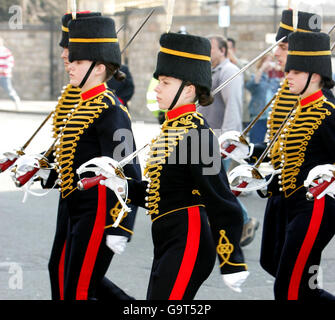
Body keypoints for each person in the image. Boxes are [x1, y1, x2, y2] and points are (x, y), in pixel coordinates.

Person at [94, 32, 249, 300]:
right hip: (168, 237)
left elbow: (221, 199)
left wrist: (231, 259)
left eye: (165, 82)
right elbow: (162, 196)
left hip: (189, 240)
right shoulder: (172, 129)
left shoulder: (197, 134)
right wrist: (122, 184)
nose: (157, 88)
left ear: (188, 89)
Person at [39, 15, 141, 300]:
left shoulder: (111, 110)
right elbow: (74, 153)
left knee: (80, 289)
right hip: (74, 205)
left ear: (98, 68)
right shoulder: (83, 103)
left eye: (78, 61)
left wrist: (123, 225)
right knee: (60, 273)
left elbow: (129, 170)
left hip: (98, 212)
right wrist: (44, 167)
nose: (69, 65)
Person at [261, 31, 335, 300]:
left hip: (316, 208)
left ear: (314, 75)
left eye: (294, 71)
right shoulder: (299, 108)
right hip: (292, 206)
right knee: (300, 286)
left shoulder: (327, 113)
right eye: (288, 70)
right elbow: (290, 162)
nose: (287, 76)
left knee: (288, 289)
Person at [197, 35, 259, 247]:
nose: (208, 53)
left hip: (219, 140)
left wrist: (227, 143)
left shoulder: (229, 72)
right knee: (214, 188)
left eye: (211, 48)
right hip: (207, 138)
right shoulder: (212, 71)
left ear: (223, 50)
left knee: (216, 189)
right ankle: (235, 224)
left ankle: (243, 221)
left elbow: (233, 106)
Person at [245, 54, 281, 144]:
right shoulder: (256, 76)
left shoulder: (275, 79)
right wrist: (261, 69)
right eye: (266, 61)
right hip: (258, 116)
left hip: (272, 117)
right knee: (255, 144)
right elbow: (252, 85)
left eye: (271, 61)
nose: (269, 63)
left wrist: (279, 70)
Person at [0, 37, 21, 110]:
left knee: (8, 89)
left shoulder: (6, 51)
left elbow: (10, 62)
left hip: (4, 75)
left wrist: (3, 70)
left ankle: (16, 101)